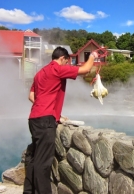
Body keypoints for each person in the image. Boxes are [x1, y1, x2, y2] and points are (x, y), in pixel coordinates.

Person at [23, 46, 98, 194]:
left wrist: (52, 111)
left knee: (34, 157)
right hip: (45, 121)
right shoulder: (57, 69)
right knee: (43, 163)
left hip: (34, 119)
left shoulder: (39, 73)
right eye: (67, 62)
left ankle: (28, 191)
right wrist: (93, 56)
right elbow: (85, 69)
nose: (66, 65)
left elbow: (31, 96)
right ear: (63, 58)